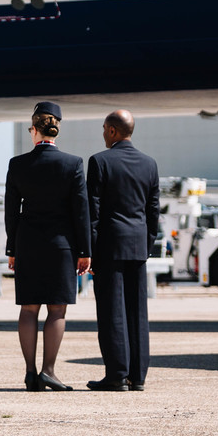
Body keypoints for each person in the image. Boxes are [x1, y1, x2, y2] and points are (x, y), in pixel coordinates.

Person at [5, 101, 91, 391]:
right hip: (61, 246)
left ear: (34, 130)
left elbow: (10, 212)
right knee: (57, 310)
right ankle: (49, 371)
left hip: (27, 244)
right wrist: (84, 251)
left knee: (29, 309)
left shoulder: (17, 164)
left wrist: (12, 249)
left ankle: (30, 373)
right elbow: (81, 212)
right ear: (56, 130)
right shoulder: (72, 163)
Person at [86, 110, 160, 392]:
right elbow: (153, 211)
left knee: (111, 311)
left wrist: (89, 249)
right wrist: (147, 245)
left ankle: (116, 374)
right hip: (138, 246)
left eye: (105, 128)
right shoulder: (149, 164)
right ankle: (137, 376)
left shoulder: (100, 162)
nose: (103, 133)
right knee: (137, 312)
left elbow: (93, 212)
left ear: (114, 131)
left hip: (109, 247)